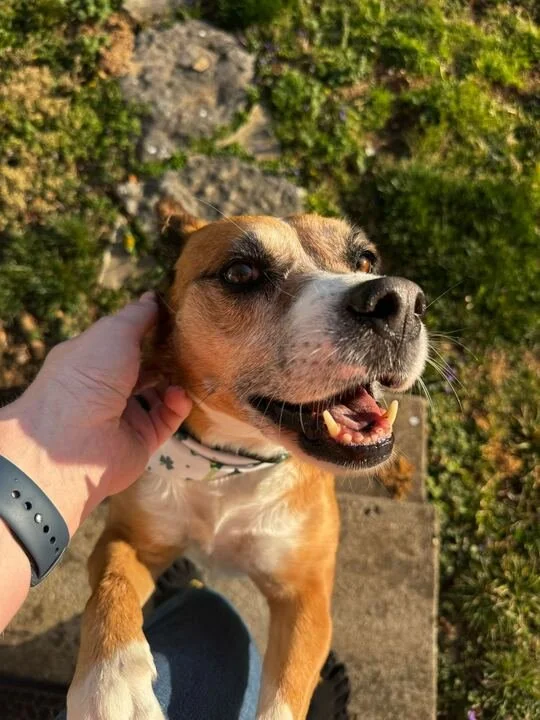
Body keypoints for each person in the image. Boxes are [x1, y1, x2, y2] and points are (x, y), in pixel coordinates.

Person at [0, 293, 349, 719]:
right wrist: (110, 623)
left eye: (361, 262)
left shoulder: (312, 437)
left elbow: (303, 598)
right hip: (175, 444)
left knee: (213, 616)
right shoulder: (149, 427)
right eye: (242, 278)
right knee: (214, 622)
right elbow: (128, 545)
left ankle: (186, 595)